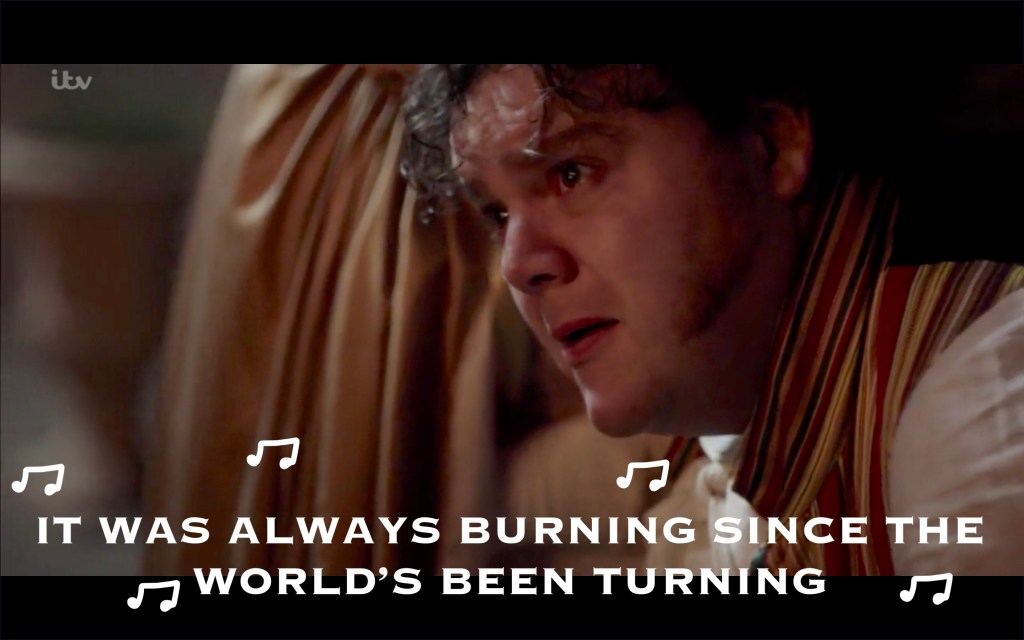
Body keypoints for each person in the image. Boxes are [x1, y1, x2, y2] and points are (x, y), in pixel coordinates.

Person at [400, 64, 1024, 575]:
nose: (517, 266)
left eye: (571, 174)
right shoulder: (725, 437)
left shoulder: (966, 434)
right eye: (497, 214)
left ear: (773, 145)